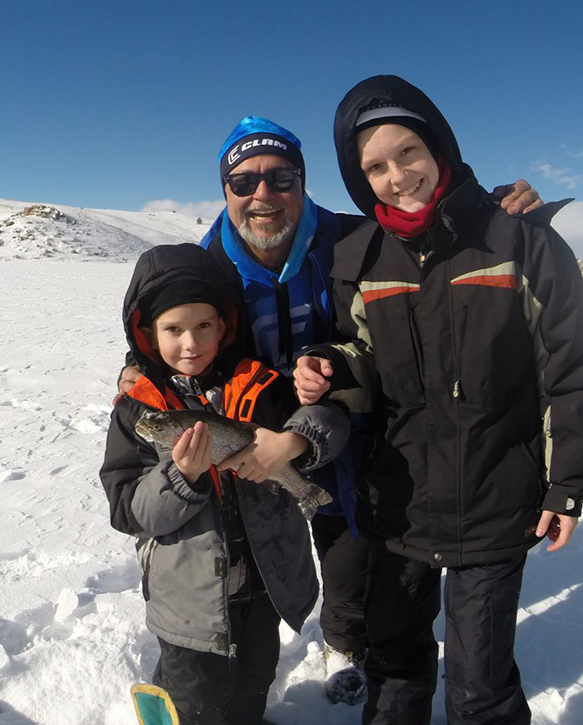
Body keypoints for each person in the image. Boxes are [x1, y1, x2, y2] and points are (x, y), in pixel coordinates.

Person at [116, 116, 545, 696]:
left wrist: (489, 213)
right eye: (243, 182)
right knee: (262, 548)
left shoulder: (351, 239)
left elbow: (428, 237)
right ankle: (234, 660)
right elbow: (167, 320)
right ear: (225, 191)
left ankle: (343, 638)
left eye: (280, 177)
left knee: (349, 544)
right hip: (253, 434)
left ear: (302, 182)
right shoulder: (208, 263)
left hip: (353, 422)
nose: (262, 194)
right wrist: (136, 365)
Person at [294, 74, 583, 725]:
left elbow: (568, 370)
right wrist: (329, 367)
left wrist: (567, 485)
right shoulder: (360, 255)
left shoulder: (521, 239)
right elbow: (364, 357)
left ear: (439, 147)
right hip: (399, 506)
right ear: (359, 179)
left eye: (408, 152)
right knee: (397, 673)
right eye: (374, 166)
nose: (397, 175)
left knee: (478, 691)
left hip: (495, 503)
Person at [100, 243, 349, 724]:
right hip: (189, 604)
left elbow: (331, 421)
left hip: (263, 587)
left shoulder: (261, 386)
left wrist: (295, 441)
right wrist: (182, 475)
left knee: (253, 685)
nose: (190, 343)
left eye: (203, 326)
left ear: (225, 326)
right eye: (173, 329)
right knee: (193, 701)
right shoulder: (138, 410)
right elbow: (127, 511)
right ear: (149, 334)